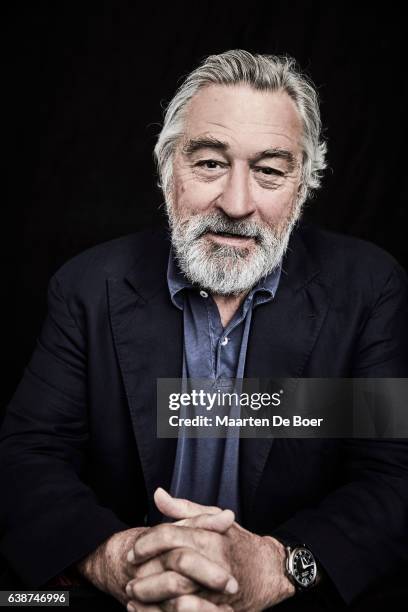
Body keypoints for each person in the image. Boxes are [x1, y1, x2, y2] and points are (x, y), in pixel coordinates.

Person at [0, 50, 407, 612]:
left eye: (268, 170)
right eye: (211, 163)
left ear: (302, 185)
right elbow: (28, 456)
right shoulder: (87, 286)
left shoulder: (368, 288)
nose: (237, 204)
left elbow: (391, 479)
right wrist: (117, 559)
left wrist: (279, 564)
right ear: (169, 169)